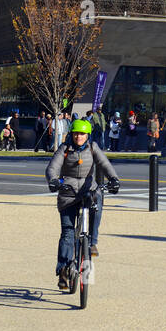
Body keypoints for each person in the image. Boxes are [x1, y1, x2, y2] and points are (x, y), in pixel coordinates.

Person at [46, 119, 120, 291]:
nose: (79, 136)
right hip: (68, 193)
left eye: (82, 133)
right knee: (68, 233)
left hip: (88, 192)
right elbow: (52, 168)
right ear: (71, 134)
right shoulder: (64, 149)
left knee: (98, 200)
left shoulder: (93, 147)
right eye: (76, 133)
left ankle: (92, 241)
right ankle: (64, 270)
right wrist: (54, 181)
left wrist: (114, 179)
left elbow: (105, 164)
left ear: (87, 135)